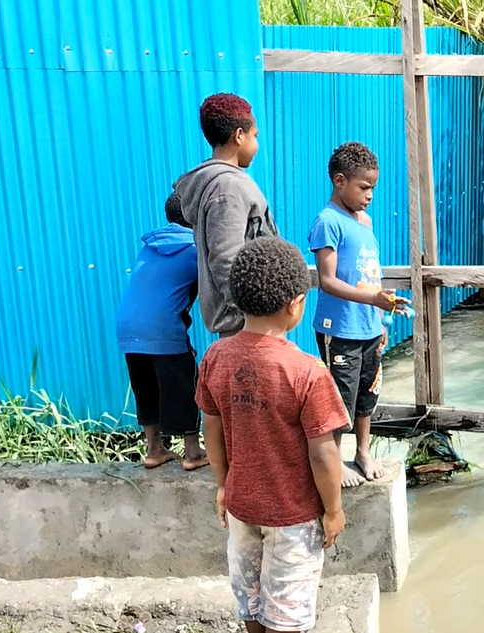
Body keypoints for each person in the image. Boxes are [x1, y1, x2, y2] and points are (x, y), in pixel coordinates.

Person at [197, 237, 347, 633]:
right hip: (293, 518)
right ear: (295, 304)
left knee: (251, 603)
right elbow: (323, 454)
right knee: (286, 615)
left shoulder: (215, 358)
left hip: (241, 507)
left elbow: (212, 429)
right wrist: (333, 510)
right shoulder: (307, 372)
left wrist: (223, 485)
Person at [309, 141, 409, 487]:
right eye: (364, 187)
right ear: (340, 181)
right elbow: (328, 281)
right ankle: (335, 460)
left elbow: (371, 274)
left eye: (373, 188)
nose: (370, 196)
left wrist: (381, 318)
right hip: (339, 327)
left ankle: (363, 452)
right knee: (340, 395)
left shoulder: (364, 221)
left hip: (368, 325)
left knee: (368, 391)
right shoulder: (327, 222)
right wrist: (373, 300)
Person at [115, 192, 208, 471]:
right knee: (183, 384)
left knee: (146, 387)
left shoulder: (150, 246)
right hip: (163, 327)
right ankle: (193, 452)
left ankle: (154, 449)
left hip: (128, 327)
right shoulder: (194, 249)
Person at [174, 92, 278, 338]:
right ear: (239, 136)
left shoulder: (225, 183)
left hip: (251, 322)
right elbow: (226, 259)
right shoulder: (227, 187)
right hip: (247, 326)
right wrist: (253, 314)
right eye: (255, 136)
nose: (257, 145)